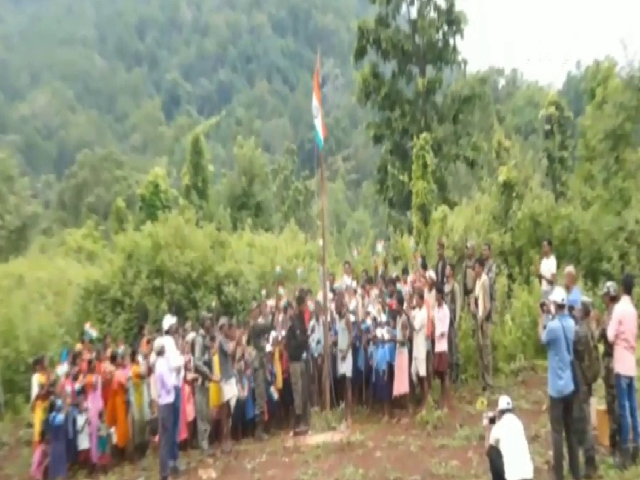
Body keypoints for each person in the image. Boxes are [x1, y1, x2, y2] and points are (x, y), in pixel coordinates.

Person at [539, 286, 580, 480]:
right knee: (570, 430)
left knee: (556, 432)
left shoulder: (553, 327)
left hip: (556, 388)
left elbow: (542, 338)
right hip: (570, 386)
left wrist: (543, 317)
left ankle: (559, 474)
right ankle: (576, 471)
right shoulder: (571, 324)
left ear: (555, 304)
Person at [606, 273, 639, 468]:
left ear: (621, 287)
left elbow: (610, 336)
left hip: (619, 362)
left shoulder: (619, 309)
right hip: (631, 364)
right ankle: (637, 445)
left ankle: (624, 450)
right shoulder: (634, 310)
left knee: (623, 409)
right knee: (634, 408)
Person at [571, 299, 598, 478]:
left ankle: (590, 463)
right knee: (584, 419)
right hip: (587, 381)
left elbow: (574, 349)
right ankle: (588, 461)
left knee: (582, 423)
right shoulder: (589, 329)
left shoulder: (580, 332)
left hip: (581, 383)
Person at [595, 281, 620, 457]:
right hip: (621, 360)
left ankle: (614, 443)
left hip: (610, 361)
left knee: (612, 402)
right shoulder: (621, 311)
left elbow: (598, 338)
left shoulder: (609, 315)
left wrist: (597, 323)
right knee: (620, 400)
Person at [484, 395, 534, 480]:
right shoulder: (518, 422)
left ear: (499, 412)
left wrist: (488, 429)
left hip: (513, 478)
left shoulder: (499, 426)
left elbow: (487, 450)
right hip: (528, 476)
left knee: (492, 451)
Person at [159, 314, 184, 473]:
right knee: (172, 427)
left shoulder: (168, 342)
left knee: (173, 427)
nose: (177, 327)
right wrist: (182, 360)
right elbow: (176, 363)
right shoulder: (168, 342)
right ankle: (171, 461)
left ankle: (172, 461)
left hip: (173, 387)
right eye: (174, 325)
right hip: (172, 388)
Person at [247, 300, 274, 440]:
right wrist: (273, 314)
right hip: (258, 364)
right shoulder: (255, 326)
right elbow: (269, 326)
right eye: (256, 309)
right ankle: (259, 430)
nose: (258, 311)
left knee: (262, 395)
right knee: (260, 395)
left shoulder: (255, 326)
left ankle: (262, 428)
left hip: (260, 363)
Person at [285, 292, 309, 435]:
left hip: (301, 359)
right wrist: (305, 339)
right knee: (297, 392)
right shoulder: (294, 321)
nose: (306, 306)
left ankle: (303, 421)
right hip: (294, 360)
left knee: (303, 391)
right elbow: (298, 340)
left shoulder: (301, 320)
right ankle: (298, 422)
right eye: (305, 304)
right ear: (300, 306)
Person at [153, 337, 175, 480]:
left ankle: (164, 471)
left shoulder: (158, 364)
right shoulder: (162, 365)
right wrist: (174, 376)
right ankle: (165, 473)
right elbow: (169, 384)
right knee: (166, 439)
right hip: (167, 402)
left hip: (163, 402)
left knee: (165, 438)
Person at [193, 313, 214, 452]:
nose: (210, 322)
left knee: (206, 411)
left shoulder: (206, 339)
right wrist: (208, 373)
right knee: (202, 412)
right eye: (207, 320)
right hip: (201, 380)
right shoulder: (199, 339)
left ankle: (205, 440)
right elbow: (197, 362)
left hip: (206, 381)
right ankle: (203, 443)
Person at [217, 316, 238, 452]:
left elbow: (233, 355)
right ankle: (224, 439)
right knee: (225, 408)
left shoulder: (226, 340)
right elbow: (230, 351)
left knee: (231, 404)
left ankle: (227, 436)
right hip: (225, 378)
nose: (227, 328)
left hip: (230, 376)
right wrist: (236, 339)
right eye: (225, 326)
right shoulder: (222, 341)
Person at [472, 257, 493, 390]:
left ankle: (489, 382)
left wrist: (482, 318)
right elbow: (476, 298)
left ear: (481, 267)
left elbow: (488, 305)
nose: (475, 270)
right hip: (478, 318)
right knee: (480, 351)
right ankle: (483, 381)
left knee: (486, 351)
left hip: (484, 321)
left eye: (476, 268)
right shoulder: (478, 281)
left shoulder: (485, 281)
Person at [335, 290, 353, 427]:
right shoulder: (338, 319)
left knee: (347, 385)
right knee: (342, 385)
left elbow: (351, 336)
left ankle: (349, 416)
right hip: (339, 353)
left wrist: (346, 351)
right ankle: (345, 414)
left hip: (346, 354)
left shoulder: (347, 318)